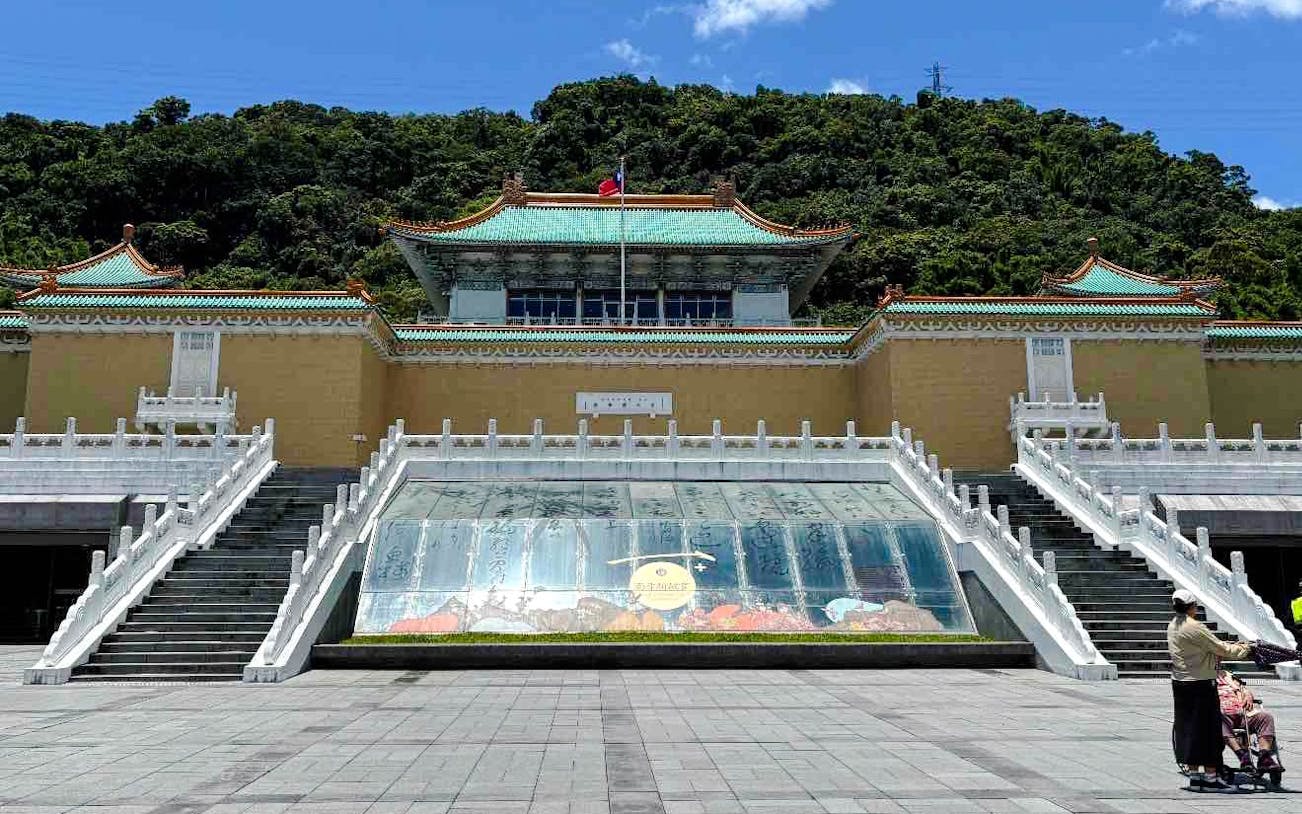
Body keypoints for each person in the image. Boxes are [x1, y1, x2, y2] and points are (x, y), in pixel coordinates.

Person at [1169, 589, 1254, 790]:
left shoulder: (1173, 625)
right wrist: (1247, 648)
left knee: (1188, 729)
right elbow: (1222, 649)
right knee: (1209, 731)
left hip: (1180, 683)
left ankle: (1194, 776)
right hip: (1201, 684)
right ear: (1192, 607)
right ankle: (1211, 778)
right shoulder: (1194, 627)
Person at [1217, 669, 1282, 775]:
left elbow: (1243, 688)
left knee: (1266, 717)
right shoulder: (1202, 677)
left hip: (1243, 714)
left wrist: (1247, 693)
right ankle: (1243, 755)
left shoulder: (1228, 675)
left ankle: (1264, 757)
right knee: (1219, 719)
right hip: (1222, 717)